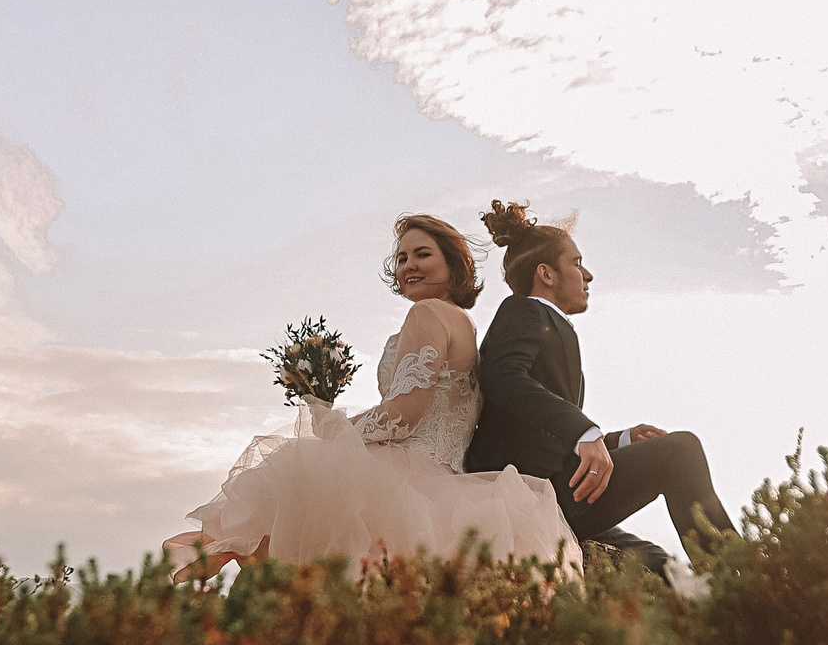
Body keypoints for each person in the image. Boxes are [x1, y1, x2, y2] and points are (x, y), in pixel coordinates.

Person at [165, 214, 581, 579]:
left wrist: (337, 432)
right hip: (446, 479)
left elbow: (406, 414)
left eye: (422, 254)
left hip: (407, 472)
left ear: (453, 265)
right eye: (401, 258)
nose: (409, 265)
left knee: (289, 525)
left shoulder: (428, 313)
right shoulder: (465, 324)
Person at [464, 200, 734, 581]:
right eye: (576, 263)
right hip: (530, 493)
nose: (587, 275)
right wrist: (584, 430)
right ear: (546, 274)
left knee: (658, 562)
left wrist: (619, 440)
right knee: (679, 452)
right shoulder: (522, 310)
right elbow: (501, 376)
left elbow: (545, 435)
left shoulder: (552, 325)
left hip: (560, 489)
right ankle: (741, 578)